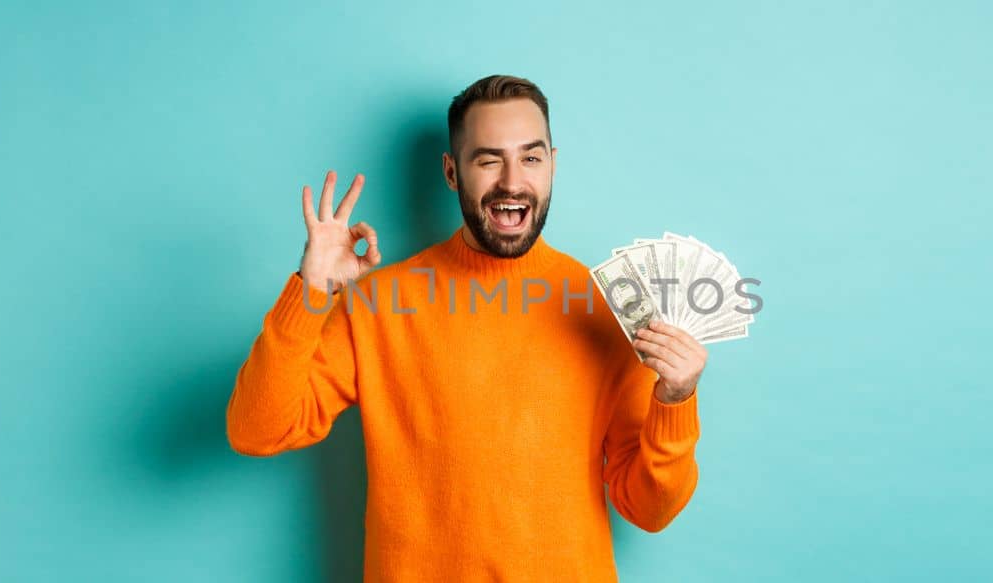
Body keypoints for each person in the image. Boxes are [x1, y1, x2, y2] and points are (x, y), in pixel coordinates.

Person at [228, 74, 708, 582]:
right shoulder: (379, 304)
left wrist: (675, 401)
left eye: (530, 157)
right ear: (452, 172)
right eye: (487, 159)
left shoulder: (608, 306)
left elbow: (650, 511)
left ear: (552, 165)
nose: (512, 181)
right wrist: (311, 291)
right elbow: (256, 430)